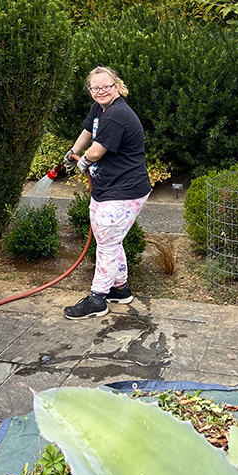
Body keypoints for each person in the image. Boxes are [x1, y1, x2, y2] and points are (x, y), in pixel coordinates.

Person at [63, 66, 152, 320]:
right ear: (90, 90)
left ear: (117, 86)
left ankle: (97, 299)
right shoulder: (100, 108)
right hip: (110, 187)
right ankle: (120, 289)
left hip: (125, 190)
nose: (101, 91)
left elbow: (96, 151)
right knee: (110, 241)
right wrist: (72, 152)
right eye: (96, 88)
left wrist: (82, 162)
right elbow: (88, 132)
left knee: (108, 244)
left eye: (106, 86)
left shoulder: (117, 115)